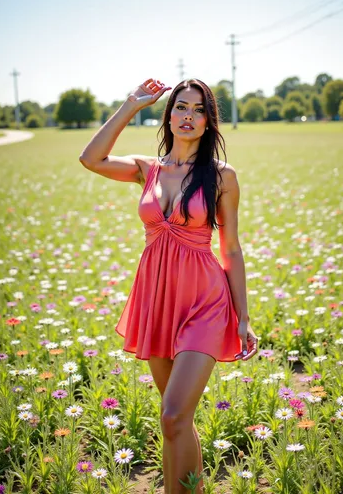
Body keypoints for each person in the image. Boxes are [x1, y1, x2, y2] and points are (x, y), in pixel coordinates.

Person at [79, 78, 259, 493]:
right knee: (174, 418)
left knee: (174, 414)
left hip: (205, 302)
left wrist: (243, 317)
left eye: (198, 110)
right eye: (180, 107)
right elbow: (91, 158)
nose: (188, 116)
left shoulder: (221, 176)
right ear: (168, 114)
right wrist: (131, 104)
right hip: (157, 300)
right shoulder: (148, 169)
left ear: (209, 121)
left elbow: (230, 248)